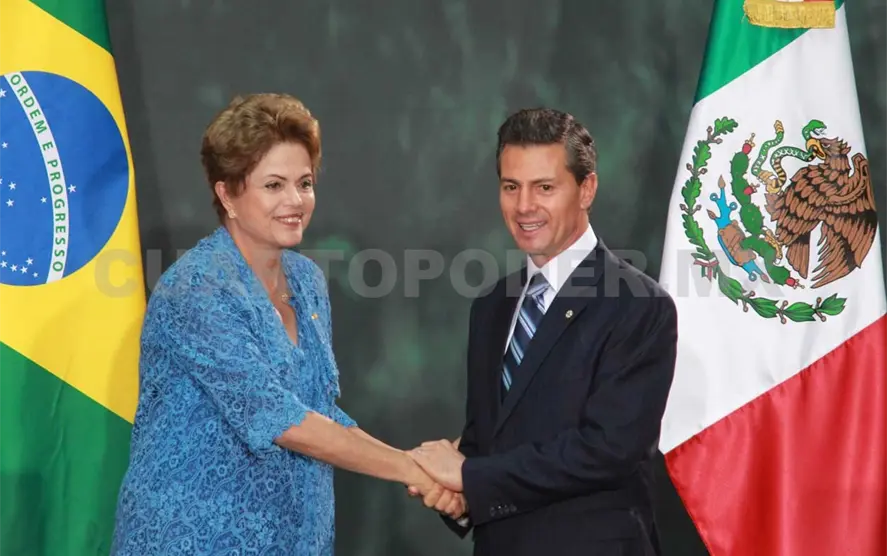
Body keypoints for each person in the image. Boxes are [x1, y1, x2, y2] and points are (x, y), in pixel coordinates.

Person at [111, 93, 461, 556]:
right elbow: (283, 421)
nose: (295, 201)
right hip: (194, 539)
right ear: (227, 194)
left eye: (305, 183)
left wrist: (412, 463)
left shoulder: (306, 280)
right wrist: (415, 470)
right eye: (274, 185)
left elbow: (319, 411)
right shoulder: (196, 289)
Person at [409, 108, 678, 555]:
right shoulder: (492, 307)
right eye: (511, 186)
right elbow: (486, 441)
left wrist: (469, 477)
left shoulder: (639, 305)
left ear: (586, 189)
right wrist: (459, 498)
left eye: (544, 188)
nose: (524, 206)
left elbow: (607, 450)